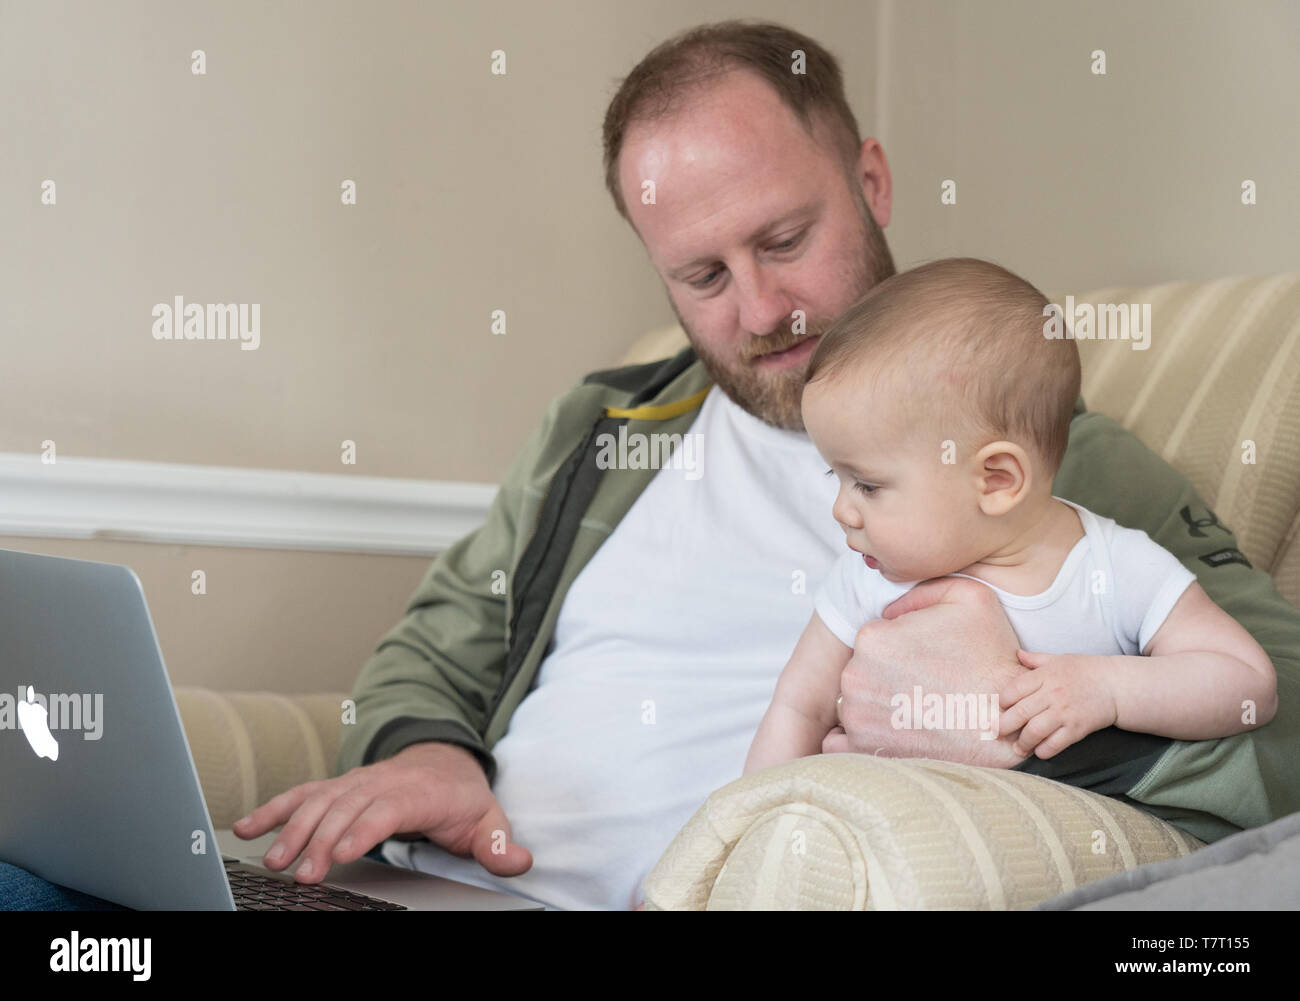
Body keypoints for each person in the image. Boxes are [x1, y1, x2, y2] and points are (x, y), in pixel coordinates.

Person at [11, 19, 1296, 911]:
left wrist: (1016, 708)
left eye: (785, 237)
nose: (759, 307)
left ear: (872, 180)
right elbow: (439, 637)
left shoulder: (1026, 468)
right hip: (428, 888)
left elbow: (1272, 716)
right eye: (700, 273)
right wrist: (427, 751)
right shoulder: (606, 426)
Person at [744, 258, 1277, 775]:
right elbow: (799, 708)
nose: (841, 510)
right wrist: (747, 825)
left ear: (997, 480)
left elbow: (1248, 683)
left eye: (867, 484)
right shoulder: (862, 579)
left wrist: (1110, 688)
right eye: (832, 477)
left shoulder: (1113, 571)